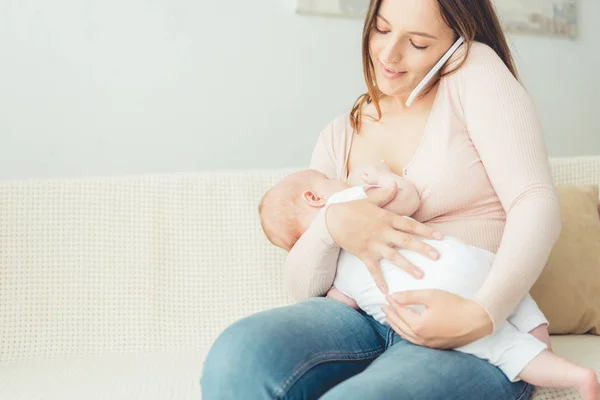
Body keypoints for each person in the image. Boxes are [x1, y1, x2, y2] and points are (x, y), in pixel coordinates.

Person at [201, 0, 572, 398]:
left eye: (417, 42)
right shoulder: (340, 132)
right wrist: (332, 224)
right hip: (362, 315)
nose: (389, 54)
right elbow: (303, 285)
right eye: (381, 29)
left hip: (465, 316)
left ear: (455, 43)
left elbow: (535, 201)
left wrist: (483, 313)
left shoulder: (472, 73)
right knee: (237, 356)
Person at [255, 166, 599, 398]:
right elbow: (406, 197)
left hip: (433, 298)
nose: (337, 180)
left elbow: (342, 304)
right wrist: (383, 177)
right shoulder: (353, 200)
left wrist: (336, 294)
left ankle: (572, 376)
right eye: (327, 178)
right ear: (314, 197)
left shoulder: (336, 269)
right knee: (517, 302)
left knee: (501, 346)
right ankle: (541, 340)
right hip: (468, 260)